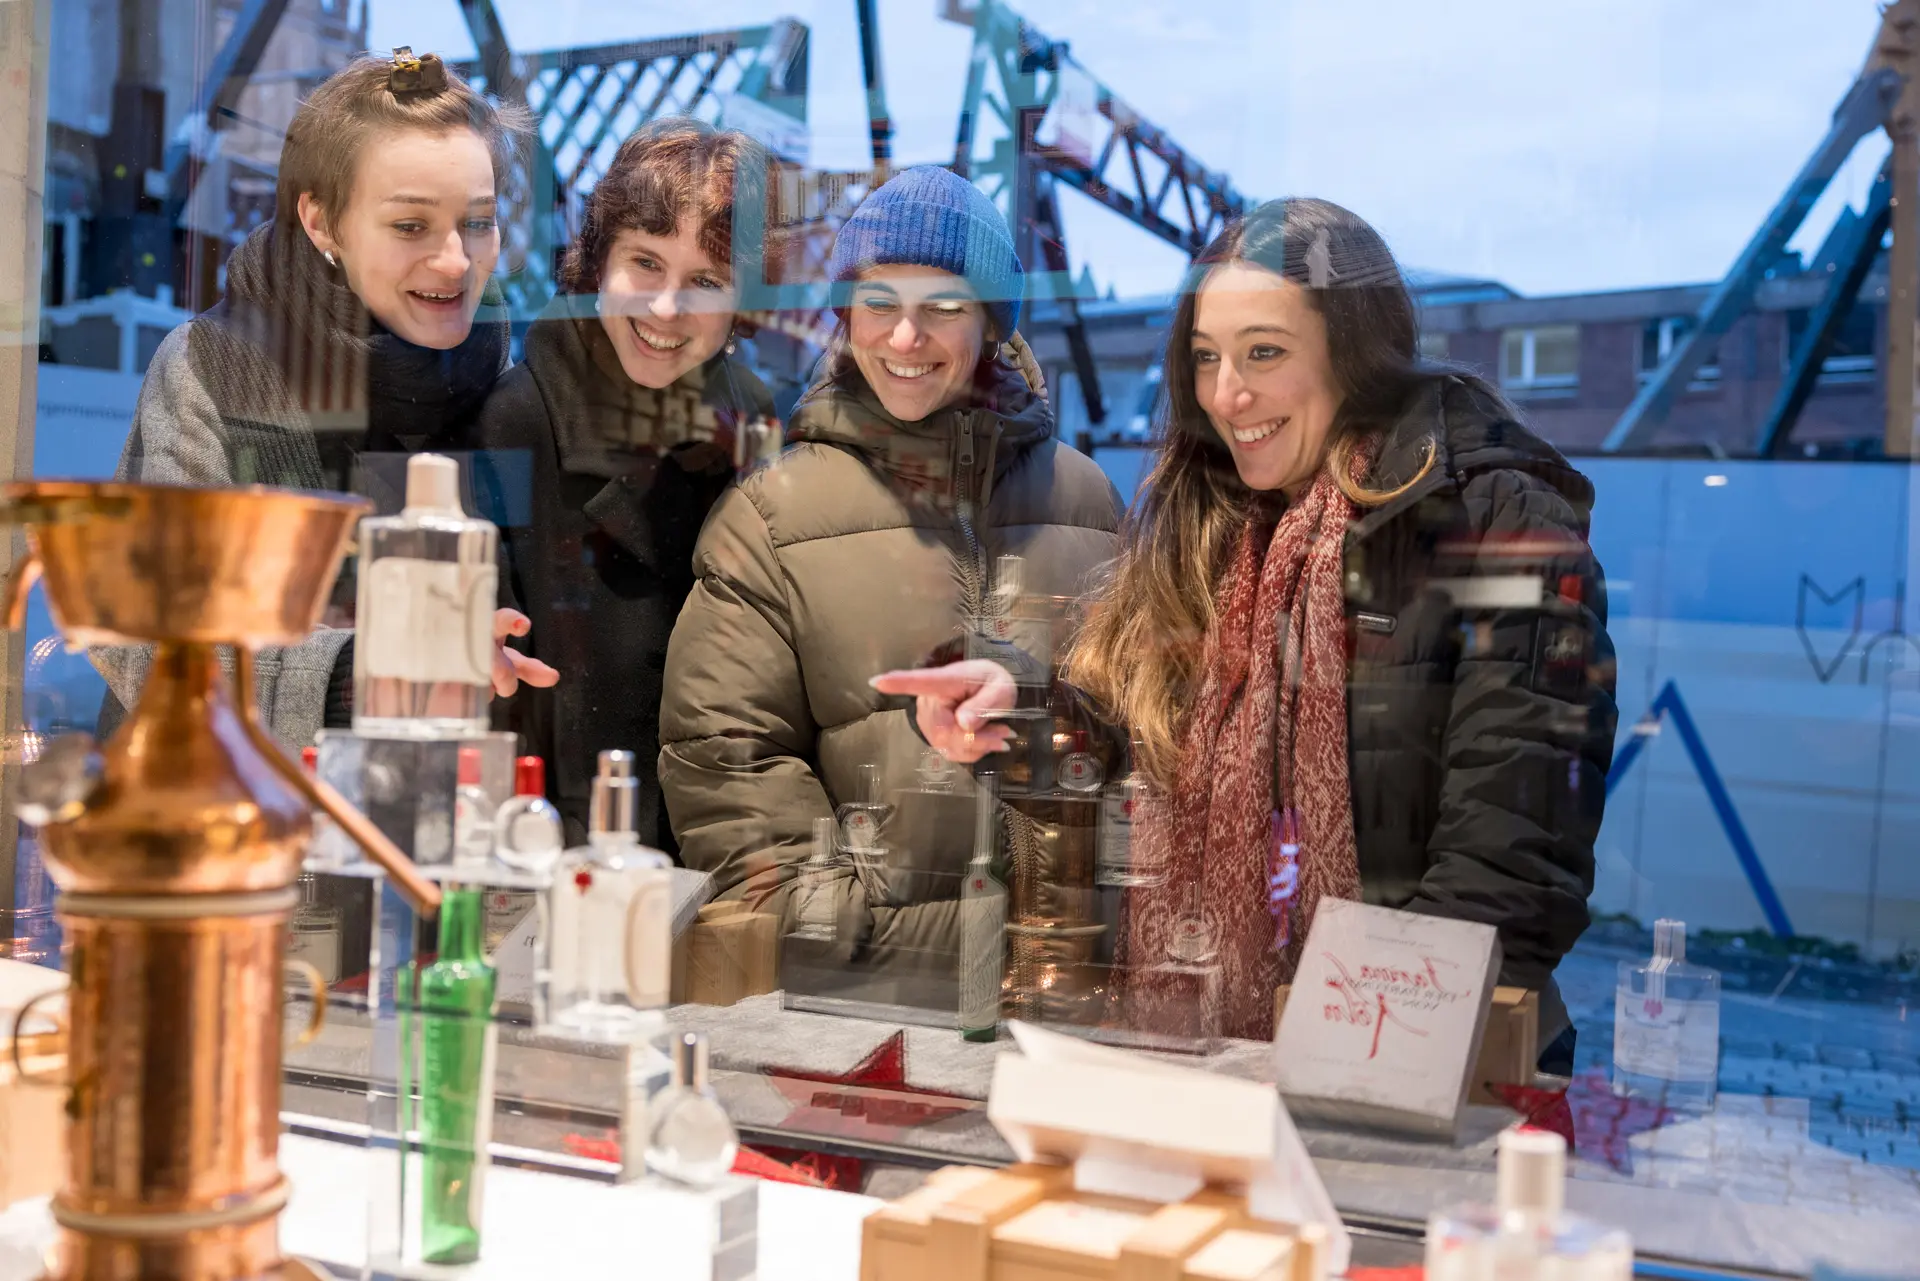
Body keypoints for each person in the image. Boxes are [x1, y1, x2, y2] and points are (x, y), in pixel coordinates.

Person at [874, 198, 1616, 1061]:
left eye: (1264, 352)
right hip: (1204, 1069)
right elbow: (1127, 755)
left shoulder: (1495, 524)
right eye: (1205, 359)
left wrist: (1358, 1066)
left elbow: (1511, 874)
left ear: (1356, 352)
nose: (1227, 395)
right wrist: (1023, 706)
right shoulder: (1208, 524)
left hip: (1414, 1080)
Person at [659, 165, 1123, 947]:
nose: (905, 338)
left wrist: (1083, 931)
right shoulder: (771, 516)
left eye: (942, 306)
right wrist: (859, 937)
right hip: (871, 996)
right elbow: (726, 768)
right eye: (879, 304)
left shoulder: (1090, 505)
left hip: (1072, 979)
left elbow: (1141, 732)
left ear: (991, 323)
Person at [95, 50, 555, 748]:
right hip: (220, 818)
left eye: (479, 221)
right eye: (411, 226)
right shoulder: (214, 367)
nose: (457, 260)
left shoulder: (501, 383)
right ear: (321, 223)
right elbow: (151, 640)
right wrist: (360, 672)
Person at [471, 119, 778, 847]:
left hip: (718, 847)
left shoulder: (753, 421)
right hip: (560, 851)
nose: (666, 308)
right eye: (645, 262)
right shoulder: (513, 420)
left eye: (704, 281)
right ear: (598, 262)